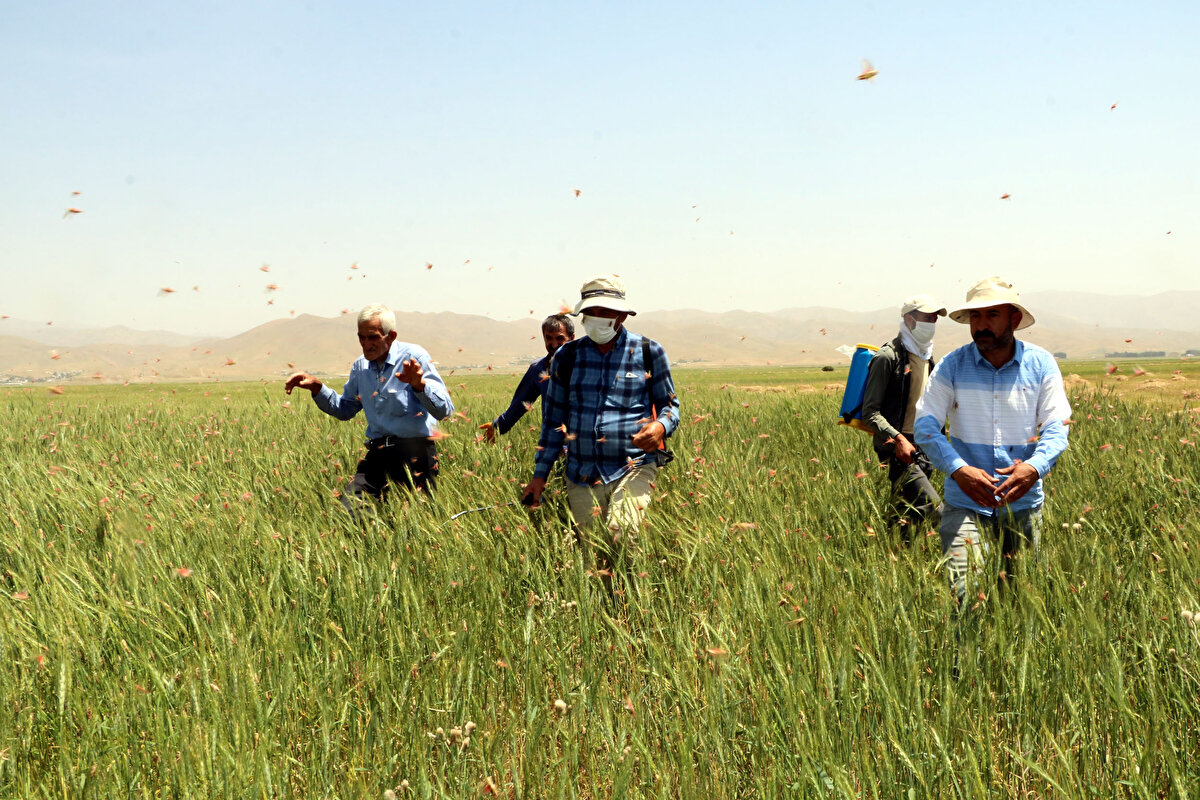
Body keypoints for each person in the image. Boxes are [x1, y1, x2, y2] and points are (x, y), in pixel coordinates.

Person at [914, 277, 1071, 608]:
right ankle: (967, 659)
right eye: (975, 317)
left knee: (1020, 602)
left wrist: (1033, 467)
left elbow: (1057, 426)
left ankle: (1007, 662)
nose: (981, 326)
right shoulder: (951, 366)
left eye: (991, 316)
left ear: (1014, 319)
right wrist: (958, 470)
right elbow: (926, 426)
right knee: (964, 595)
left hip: (1023, 506)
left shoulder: (1041, 365)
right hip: (966, 504)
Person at [521, 276, 679, 585]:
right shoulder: (567, 357)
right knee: (593, 557)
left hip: (632, 467)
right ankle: (607, 616)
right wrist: (539, 475)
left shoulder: (648, 351)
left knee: (623, 535)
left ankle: (634, 610)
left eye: (605, 312)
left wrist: (661, 425)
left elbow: (670, 405)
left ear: (622, 315)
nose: (597, 320)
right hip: (581, 472)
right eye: (590, 312)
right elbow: (554, 421)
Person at [284, 304, 454, 503]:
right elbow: (345, 409)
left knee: (415, 522)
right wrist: (317, 388)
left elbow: (445, 410)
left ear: (391, 336)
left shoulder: (414, 358)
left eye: (372, 337)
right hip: (378, 455)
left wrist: (420, 385)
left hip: (416, 455)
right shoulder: (360, 366)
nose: (366, 344)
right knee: (350, 512)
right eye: (361, 337)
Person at [861, 294, 947, 539]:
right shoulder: (888, 357)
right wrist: (898, 439)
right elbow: (871, 412)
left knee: (908, 516)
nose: (932, 323)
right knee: (934, 508)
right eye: (926, 318)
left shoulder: (926, 356)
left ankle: (892, 560)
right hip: (899, 448)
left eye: (934, 319)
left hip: (924, 445)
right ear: (909, 320)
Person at [479, 314, 574, 441]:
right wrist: (496, 427)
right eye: (549, 338)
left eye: (560, 338)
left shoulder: (587, 366)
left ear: (572, 338)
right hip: (554, 447)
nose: (554, 344)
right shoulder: (538, 369)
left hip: (589, 444)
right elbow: (519, 405)